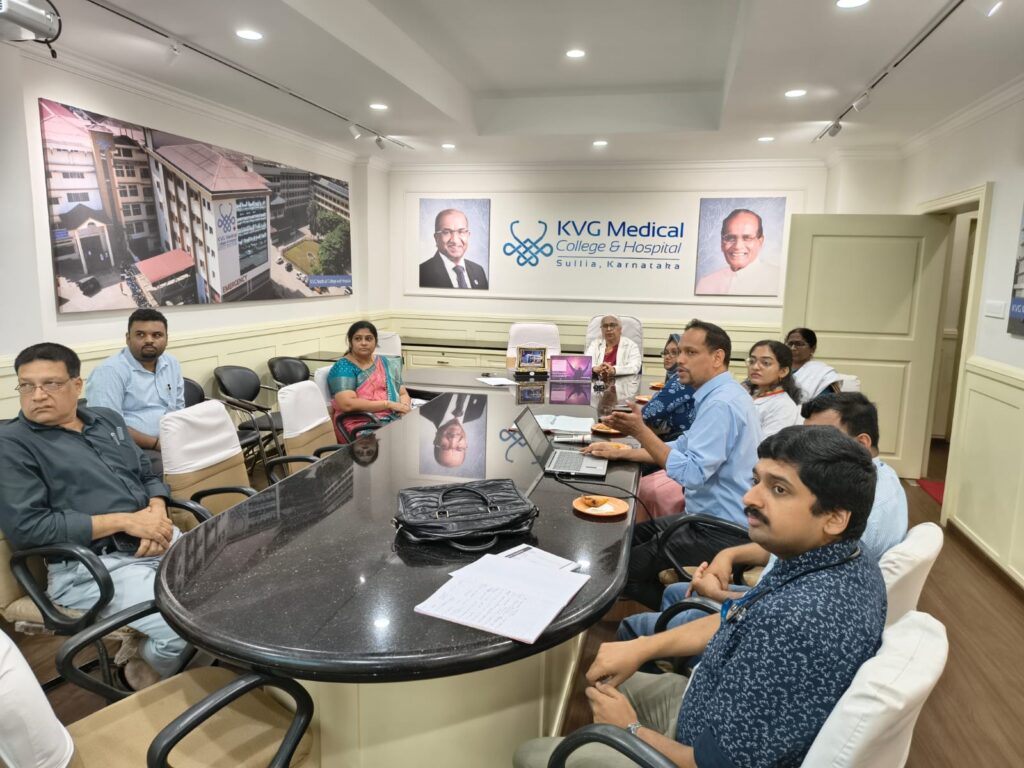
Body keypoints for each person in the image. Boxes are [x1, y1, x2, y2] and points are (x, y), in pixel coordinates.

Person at [514, 426, 887, 768]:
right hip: (705, 702)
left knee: (531, 755)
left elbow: (717, 765)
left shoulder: (798, 620)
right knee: (602, 676)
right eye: (756, 480)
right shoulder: (848, 559)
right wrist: (643, 647)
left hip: (695, 753)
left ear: (834, 518)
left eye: (779, 490)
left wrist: (629, 729)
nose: (749, 497)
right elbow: (742, 616)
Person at [619, 390, 908, 641]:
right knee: (672, 590)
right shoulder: (879, 481)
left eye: (822, 437)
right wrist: (730, 555)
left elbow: (776, 608)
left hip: (758, 615)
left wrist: (717, 595)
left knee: (633, 623)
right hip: (770, 597)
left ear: (861, 443)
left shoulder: (853, 516)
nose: (749, 498)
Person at [0, 343, 187, 688]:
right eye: (26, 385)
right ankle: (138, 674)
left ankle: (188, 669)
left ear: (76, 385)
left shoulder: (106, 420)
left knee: (225, 589)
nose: (37, 395)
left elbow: (146, 473)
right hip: (90, 567)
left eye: (51, 384)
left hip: (153, 537)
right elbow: (29, 529)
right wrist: (127, 521)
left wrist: (156, 512)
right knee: (183, 625)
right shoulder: (11, 444)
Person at [585, 320, 760, 607]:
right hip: (705, 519)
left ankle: (694, 615)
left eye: (690, 352)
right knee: (624, 539)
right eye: (680, 352)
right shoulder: (722, 394)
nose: (680, 360)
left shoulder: (721, 404)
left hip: (719, 529)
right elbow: (681, 446)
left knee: (619, 571)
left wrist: (640, 432)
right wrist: (622, 452)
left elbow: (691, 474)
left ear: (717, 357)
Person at [84, 308, 185, 477]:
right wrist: (156, 444)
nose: (149, 340)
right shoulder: (109, 371)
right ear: (128, 338)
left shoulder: (171, 363)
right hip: (132, 448)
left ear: (167, 339)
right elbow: (109, 427)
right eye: (140, 334)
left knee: (217, 452)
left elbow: (179, 408)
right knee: (176, 469)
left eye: (157, 335)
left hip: (171, 440)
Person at [328, 320, 411, 442]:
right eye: (358, 339)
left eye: (368, 339)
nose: (363, 343)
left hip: (393, 416)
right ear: (350, 342)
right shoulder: (343, 367)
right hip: (360, 424)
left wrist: (404, 409)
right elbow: (347, 404)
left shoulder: (386, 363)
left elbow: (402, 393)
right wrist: (388, 404)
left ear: (375, 342)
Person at [694, 208, 780, 295]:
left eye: (747, 238)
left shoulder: (778, 280)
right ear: (722, 243)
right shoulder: (706, 283)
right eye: (730, 238)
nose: (737, 246)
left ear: (760, 242)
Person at [641, 334, 696, 443]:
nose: (667, 356)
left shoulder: (682, 380)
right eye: (666, 352)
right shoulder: (677, 376)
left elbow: (647, 413)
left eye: (674, 352)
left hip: (681, 441)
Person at [743, 339, 802, 437]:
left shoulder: (783, 406)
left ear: (783, 371)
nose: (755, 367)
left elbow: (767, 444)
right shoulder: (747, 393)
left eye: (766, 363)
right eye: (752, 361)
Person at [419, 208, 489, 289]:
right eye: (446, 232)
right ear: (436, 238)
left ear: (468, 235)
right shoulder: (422, 273)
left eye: (461, 231)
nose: (455, 240)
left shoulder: (478, 271)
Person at [419, 392, 486, 468]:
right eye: (459, 448)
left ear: (436, 440)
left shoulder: (425, 407)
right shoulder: (476, 412)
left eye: (444, 446)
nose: (453, 439)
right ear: (466, 444)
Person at [786, 327, 841, 401]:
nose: (793, 348)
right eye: (790, 344)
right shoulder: (777, 369)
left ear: (813, 348)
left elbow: (827, 403)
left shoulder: (823, 373)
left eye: (799, 344)